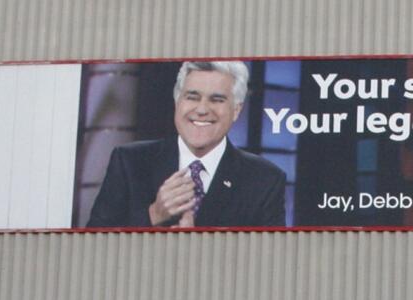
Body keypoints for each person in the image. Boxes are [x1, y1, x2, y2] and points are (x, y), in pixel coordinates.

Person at [87, 60, 286, 228]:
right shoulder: (130, 161)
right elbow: (94, 244)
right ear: (177, 102)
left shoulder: (265, 179)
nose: (201, 110)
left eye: (216, 100)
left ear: (236, 110)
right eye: (192, 97)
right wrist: (153, 216)